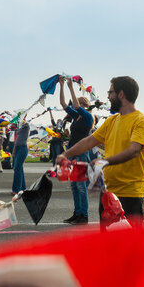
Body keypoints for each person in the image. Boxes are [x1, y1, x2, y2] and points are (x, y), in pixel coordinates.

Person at [56, 76, 144, 226]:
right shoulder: (112, 121)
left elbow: (134, 150)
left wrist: (104, 161)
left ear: (121, 94)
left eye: (110, 92)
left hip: (130, 194)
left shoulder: (141, 121)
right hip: (108, 192)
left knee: (129, 247)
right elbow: (89, 141)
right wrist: (65, 154)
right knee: (109, 245)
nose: (108, 96)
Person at [58, 77, 94, 225]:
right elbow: (63, 104)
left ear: (84, 105)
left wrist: (71, 87)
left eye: (77, 104)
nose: (74, 106)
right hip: (72, 153)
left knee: (80, 185)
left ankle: (83, 216)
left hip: (81, 154)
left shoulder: (87, 117)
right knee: (74, 185)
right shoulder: (76, 117)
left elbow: (77, 106)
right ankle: (77, 213)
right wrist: (61, 86)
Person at [12, 114, 29, 194]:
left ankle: (16, 190)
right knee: (19, 169)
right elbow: (17, 140)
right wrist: (14, 151)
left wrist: (24, 117)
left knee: (17, 168)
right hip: (18, 148)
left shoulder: (26, 125)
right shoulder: (19, 127)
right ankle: (23, 188)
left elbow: (25, 122)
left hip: (23, 148)